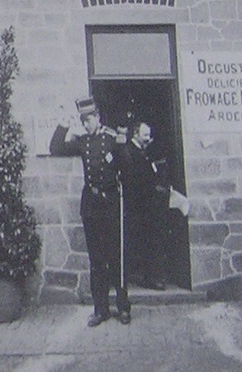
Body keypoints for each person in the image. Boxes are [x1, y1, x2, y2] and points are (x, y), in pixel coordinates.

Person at [49, 96, 129, 326]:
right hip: (92, 206)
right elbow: (55, 148)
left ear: (98, 118)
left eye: (89, 120)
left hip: (111, 204)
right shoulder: (83, 142)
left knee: (116, 257)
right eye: (83, 121)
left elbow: (127, 166)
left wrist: (122, 144)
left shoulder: (113, 139)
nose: (86, 125)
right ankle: (101, 309)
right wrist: (64, 123)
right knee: (97, 259)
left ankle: (123, 307)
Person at [121, 121, 170, 289]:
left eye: (149, 134)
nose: (149, 138)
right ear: (135, 134)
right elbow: (134, 179)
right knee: (143, 242)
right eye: (145, 135)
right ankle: (147, 278)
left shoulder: (143, 151)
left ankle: (151, 277)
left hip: (148, 205)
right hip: (138, 206)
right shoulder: (129, 151)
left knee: (150, 241)